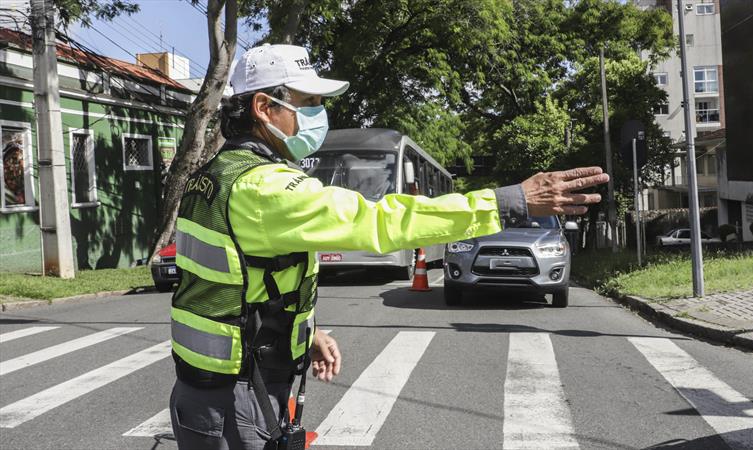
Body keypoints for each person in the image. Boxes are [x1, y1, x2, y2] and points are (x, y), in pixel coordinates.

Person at [169, 43, 608, 450]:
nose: (319, 113)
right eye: (309, 102)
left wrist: (306, 333)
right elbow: (384, 220)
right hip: (238, 397)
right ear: (264, 108)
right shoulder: (264, 187)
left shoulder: (216, 175)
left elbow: (229, 284)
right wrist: (507, 201)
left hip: (213, 384)